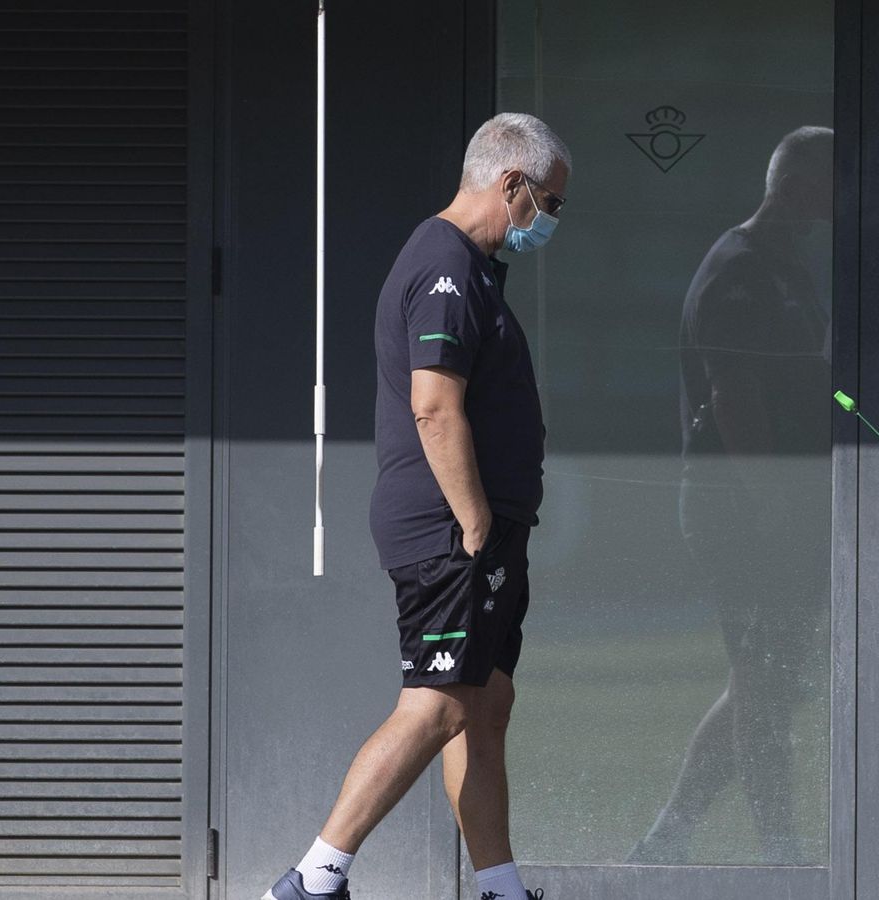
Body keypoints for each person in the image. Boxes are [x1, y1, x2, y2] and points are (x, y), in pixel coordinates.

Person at [263, 112, 569, 900]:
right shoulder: (446, 264)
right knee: (437, 705)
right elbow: (434, 405)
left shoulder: (469, 266)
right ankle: (312, 880)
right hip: (451, 531)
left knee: (486, 702)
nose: (552, 221)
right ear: (512, 185)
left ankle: (500, 889)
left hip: (484, 532)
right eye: (551, 203)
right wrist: (472, 522)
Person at [631, 126, 833, 865]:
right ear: (800, 185)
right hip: (744, 512)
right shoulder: (741, 268)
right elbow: (733, 393)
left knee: (764, 684)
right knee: (763, 687)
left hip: (782, 508)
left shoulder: (789, 265)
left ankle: (667, 838)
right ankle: (780, 853)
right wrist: (772, 498)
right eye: (833, 180)